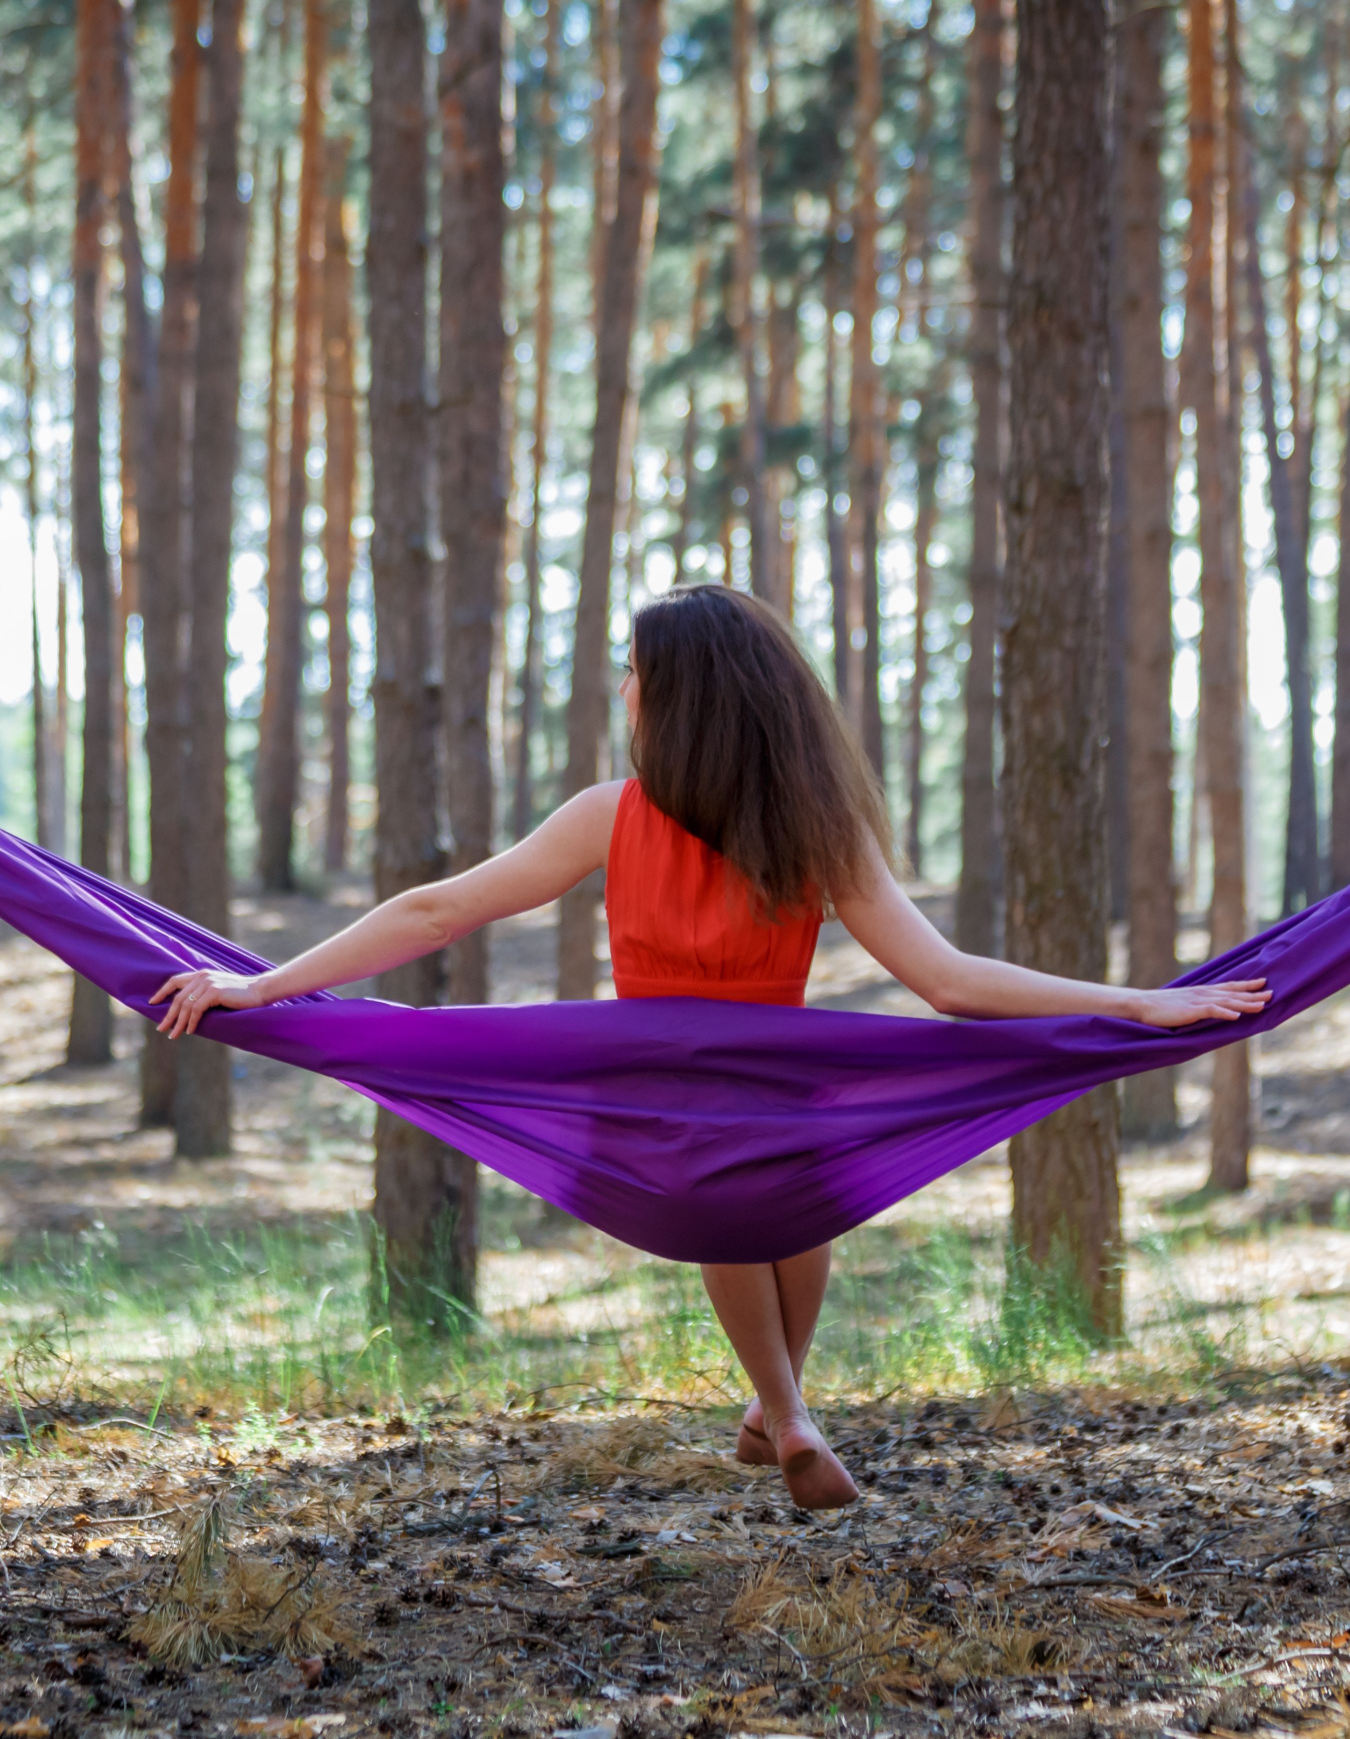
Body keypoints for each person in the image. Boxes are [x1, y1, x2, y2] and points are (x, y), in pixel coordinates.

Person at [152, 584, 1269, 1510]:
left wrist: (1132, 1002)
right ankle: (781, 1409)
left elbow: (435, 912)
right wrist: (1128, 1004)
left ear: (677, 701)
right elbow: (949, 982)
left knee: (728, 1201)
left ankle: (783, 1411)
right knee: (788, 1196)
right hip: (778, 1096)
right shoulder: (811, 830)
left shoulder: (615, 813)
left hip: (659, 1104)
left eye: (634, 674)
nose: (624, 692)